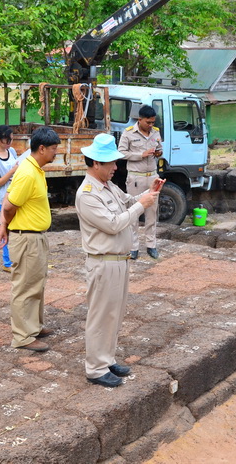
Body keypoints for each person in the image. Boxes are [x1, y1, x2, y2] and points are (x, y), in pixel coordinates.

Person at [76, 134, 162, 387]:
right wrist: (141, 205)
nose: (116, 167)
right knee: (101, 316)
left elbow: (128, 202)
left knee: (114, 314)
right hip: (103, 262)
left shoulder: (108, 186)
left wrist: (150, 192)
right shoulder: (87, 194)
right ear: (95, 164)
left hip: (118, 260)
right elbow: (113, 224)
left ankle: (106, 358)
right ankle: (95, 368)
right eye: (111, 163)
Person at [0, 126, 60, 352]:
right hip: (26, 238)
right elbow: (9, 205)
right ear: (41, 148)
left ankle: (33, 326)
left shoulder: (34, 169)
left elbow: (9, 196)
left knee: (36, 283)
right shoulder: (27, 172)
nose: (56, 153)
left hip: (35, 237)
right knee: (24, 286)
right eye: (53, 149)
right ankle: (23, 336)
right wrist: (6, 224)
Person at [118, 105, 163, 260]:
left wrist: (158, 152)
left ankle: (151, 245)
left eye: (152, 122)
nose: (150, 125)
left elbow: (160, 148)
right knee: (134, 212)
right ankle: (133, 247)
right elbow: (121, 153)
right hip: (135, 178)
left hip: (152, 177)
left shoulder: (156, 132)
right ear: (140, 119)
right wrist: (141, 154)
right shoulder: (129, 133)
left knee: (152, 213)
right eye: (148, 122)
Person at [0, 126, 20, 271]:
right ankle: (7, 262)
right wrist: (12, 172)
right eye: (7, 139)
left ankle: (16, 258)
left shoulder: (11, 151)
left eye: (11, 139)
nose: (10, 142)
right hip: (3, 198)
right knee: (4, 229)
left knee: (17, 227)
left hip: (16, 194)